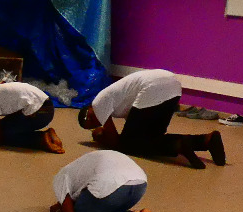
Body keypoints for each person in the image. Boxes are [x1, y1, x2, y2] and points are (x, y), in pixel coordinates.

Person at [77, 69, 225, 168]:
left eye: (92, 123)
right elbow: (136, 126)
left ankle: (179, 145)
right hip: (172, 86)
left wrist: (101, 137)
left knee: (128, 146)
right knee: (150, 138)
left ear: (89, 113)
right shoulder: (116, 100)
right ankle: (205, 140)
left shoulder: (97, 104)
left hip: (151, 87)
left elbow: (116, 142)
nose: (96, 123)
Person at [50, 149, 158, 212]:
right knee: (104, 208)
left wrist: (58, 211)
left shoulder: (60, 178)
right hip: (140, 183)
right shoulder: (79, 169)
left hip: (111, 184)